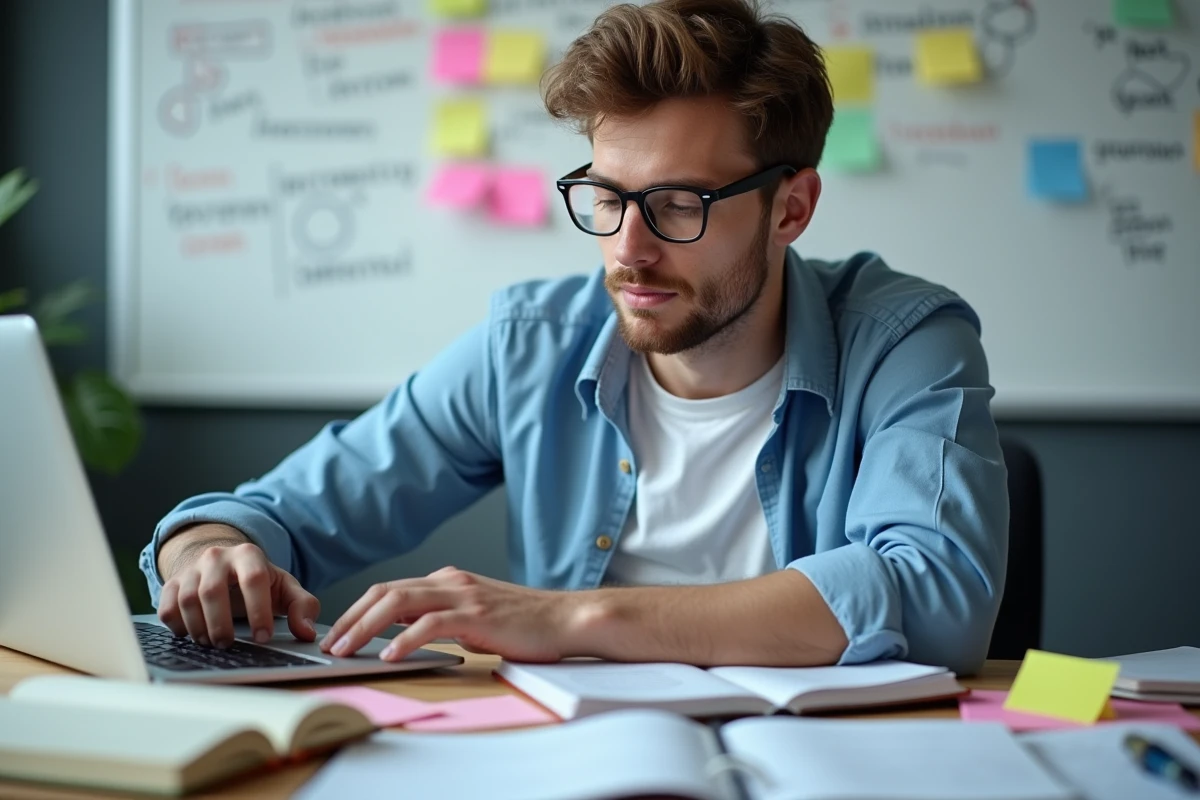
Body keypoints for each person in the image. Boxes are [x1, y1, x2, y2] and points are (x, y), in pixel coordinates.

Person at [140, 0, 1008, 675]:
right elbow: (271, 515)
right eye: (607, 196)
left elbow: (938, 600)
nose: (628, 249)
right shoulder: (531, 347)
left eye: (678, 205)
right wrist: (211, 555)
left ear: (791, 208)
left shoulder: (905, 342)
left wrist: (572, 618)